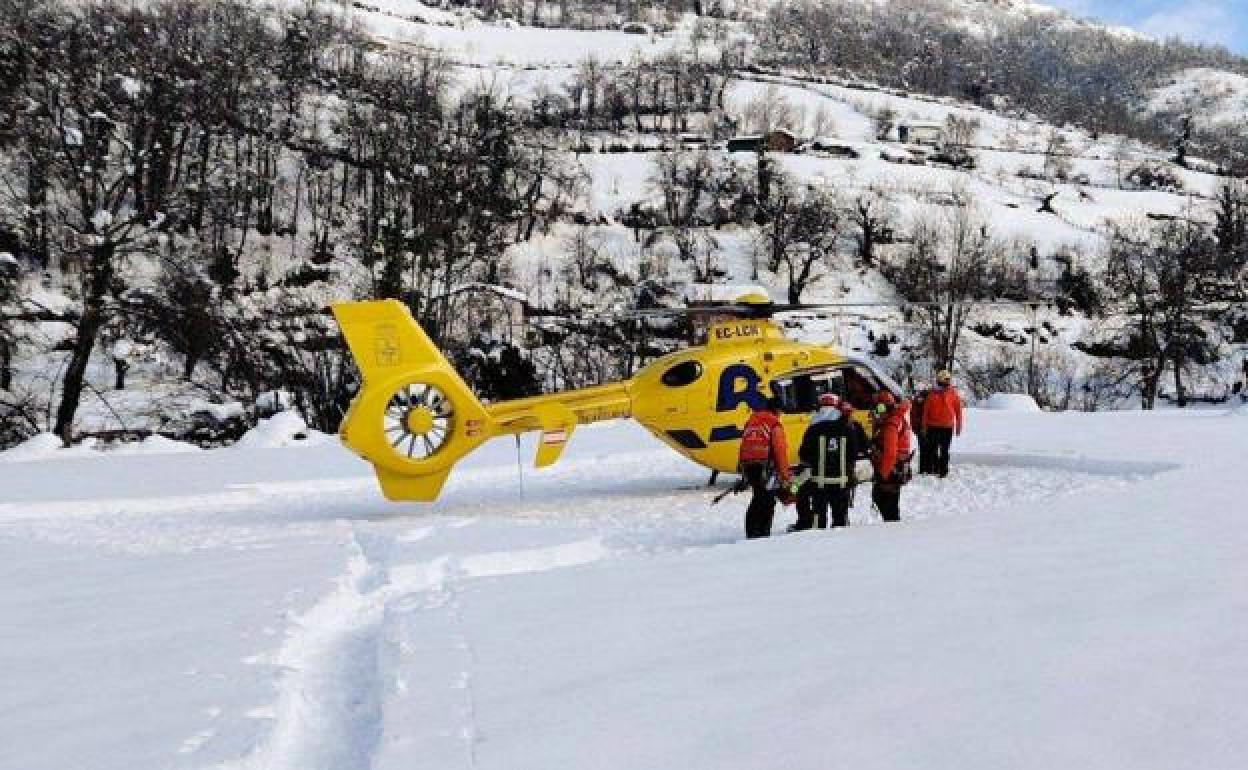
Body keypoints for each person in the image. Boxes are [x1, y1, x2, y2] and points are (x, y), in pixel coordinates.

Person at [791, 393, 865, 530]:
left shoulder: (812, 429)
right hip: (842, 483)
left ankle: (820, 545)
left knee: (819, 519)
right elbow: (854, 453)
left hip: (819, 484)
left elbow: (803, 454)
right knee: (840, 519)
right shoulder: (848, 428)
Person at [738, 394, 792, 538]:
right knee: (767, 501)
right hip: (764, 467)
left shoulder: (752, 421)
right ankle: (761, 533)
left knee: (758, 497)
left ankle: (752, 531)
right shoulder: (774, 424)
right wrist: (785, 476)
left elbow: (743, 445)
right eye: (781, 411)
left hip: (749, 467)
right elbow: (780, 451)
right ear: (777, 410)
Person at [870, 391, 912, 522]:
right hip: (895, 468)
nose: (878, 412)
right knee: (888, 503)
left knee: (886, 504)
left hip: (890, 470)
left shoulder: (891, 425)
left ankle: (892, 533)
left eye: (879, 408)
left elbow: (890, 453)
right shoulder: (896, 419)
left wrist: (883, 474)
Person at [921, 369, 963, 478]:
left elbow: (958, 410)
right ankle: (935, 468)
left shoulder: (953, 393)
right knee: (933, 450)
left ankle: (943, 470)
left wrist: (959, 426)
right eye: (946, 379)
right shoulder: (932, 394)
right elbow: (925, 412)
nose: (948, 381)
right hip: (933, 426)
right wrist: (924, 427)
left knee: (944, 450)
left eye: (949, 379)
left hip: (947, 427)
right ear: (940, 380)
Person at [911, 383, 935, 475]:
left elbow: (913, 415)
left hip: (925, 427)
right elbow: (913, 414)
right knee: (927, 448)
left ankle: (925, 469)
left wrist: (914, 427)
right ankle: (926, 469)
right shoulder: (920, 400)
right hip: (924, 427)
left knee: (925, 448)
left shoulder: (921, 400)